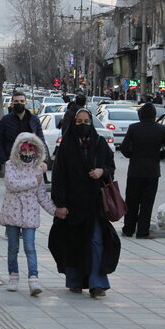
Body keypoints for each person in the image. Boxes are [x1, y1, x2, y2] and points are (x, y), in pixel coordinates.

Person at [49, 108, 120, 298]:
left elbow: (110, 167)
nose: (83, 125)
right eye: (79, 122)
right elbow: (59, 177)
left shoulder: (99, 143)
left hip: (94, 203)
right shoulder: (66, 146)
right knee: (74, 242)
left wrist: (101, 171)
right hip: (72, 204)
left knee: (96, 241)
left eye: (86, 121)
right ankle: (75, 280)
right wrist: (60, 204)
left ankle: (97, 283)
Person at [1, 133, 67, 295]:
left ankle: (33, 278)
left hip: (30, 215)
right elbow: (11, 184)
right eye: (24, 149)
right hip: (12, 214)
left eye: (31, 149)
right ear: (18, 150)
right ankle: (13, 276)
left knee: (30, 247)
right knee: (13, 247)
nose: (27, 153)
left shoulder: (38, 170)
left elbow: (42, 195)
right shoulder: (10, 165)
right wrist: (33, 181)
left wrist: (55, 211)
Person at [120, 103, 165, 239]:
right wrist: (158, 156)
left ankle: (128, 229)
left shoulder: (134, 128)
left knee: (131, 201)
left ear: (140, 115)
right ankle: (142, 232)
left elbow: (124, 148)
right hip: (152, 171)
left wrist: (132, 155)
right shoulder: (161, 129)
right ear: (154, 115)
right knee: (147, 202)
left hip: (135, 171)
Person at [0, 92, 47, 171]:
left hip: (31, 161)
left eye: (21, 101)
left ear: (26, 102)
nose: (19, 103)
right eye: (16, 101)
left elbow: (40, 140)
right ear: (12, 103)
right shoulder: (5, 120)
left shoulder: (34, 119)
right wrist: (4, 160)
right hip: (11, 162)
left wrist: (43, 160)